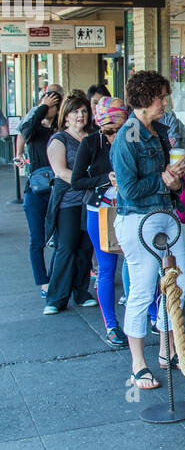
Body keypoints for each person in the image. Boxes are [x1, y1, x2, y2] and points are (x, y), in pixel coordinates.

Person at [112, 71, 185, 391]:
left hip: (165, 215)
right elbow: (128, 190)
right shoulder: (126, 137)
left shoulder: (157, 130)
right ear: (144, 100)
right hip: (137, 219)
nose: (165, 102)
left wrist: (174, 180)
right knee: (143, 289)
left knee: (178, 283)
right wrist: (164, 178)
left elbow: (165, 181)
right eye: (161, 96)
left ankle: (166, 349)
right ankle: (137, 364)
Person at [70, 96, 129, 347]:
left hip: (129, 208)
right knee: (106, 267)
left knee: (136, 263)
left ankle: (148, 315)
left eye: (119, 129)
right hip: (100, 210)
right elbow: (76, 181)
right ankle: (112, 325)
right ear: (100, 126)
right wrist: (106, 178)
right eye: (109, 131)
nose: (114, 135)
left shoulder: (132, 139)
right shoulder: (91, 143)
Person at [43, 93, 98, 315]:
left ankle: (81, 292)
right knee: (66, 248)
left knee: (86, 248)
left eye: (84, 111)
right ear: (66, 116)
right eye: (75, 111)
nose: (80, 115)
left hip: (91, 201)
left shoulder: (94, 137)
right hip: (68, 202)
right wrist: (89, 180)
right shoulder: (59, 139)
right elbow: (61, 172)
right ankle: (56, 298)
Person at [18, 84, 63, 295]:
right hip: (35, 191)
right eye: (47, 104)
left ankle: (55, 278)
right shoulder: (34, 130)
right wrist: (41, 108)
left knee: (62, 238)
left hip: (58, 190)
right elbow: (24, 132)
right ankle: (43, 281)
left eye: (54, 105)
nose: (50, 108)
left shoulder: (60, 131)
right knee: (37, 239)